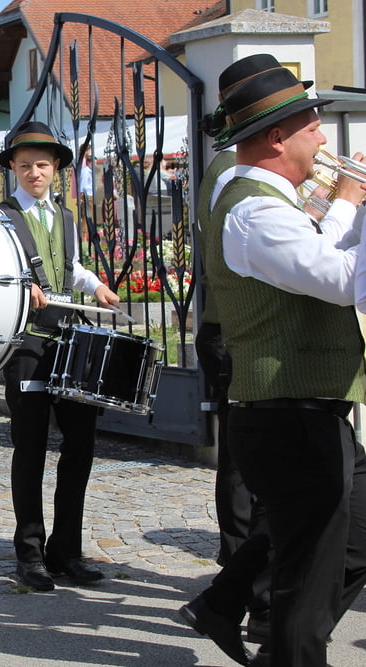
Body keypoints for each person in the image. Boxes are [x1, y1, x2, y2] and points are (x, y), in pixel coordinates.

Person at [182, 55, 366, 667]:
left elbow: (323, 257)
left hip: (310, 410)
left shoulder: (273, 203)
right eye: (313, 127)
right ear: (278, 137)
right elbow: (341, 279)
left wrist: (350, 212)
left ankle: (230, 606)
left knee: (348, 538)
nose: (324, 139)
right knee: (306, 577)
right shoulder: (252, 208)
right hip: (288, 414)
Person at [0, 122, 120, 593]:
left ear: (56, 169)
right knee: (29, 448)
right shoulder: (0, 217)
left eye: (42, 165)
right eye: (25, 165)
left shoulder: (64, 216)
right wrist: (19, 283)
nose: (34, 172)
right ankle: (30, 554)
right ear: (12, 167)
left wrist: (97, 285)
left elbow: (71, 267)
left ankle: (66, 551)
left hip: (68, 340)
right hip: (26, 344)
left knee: (81, 444)